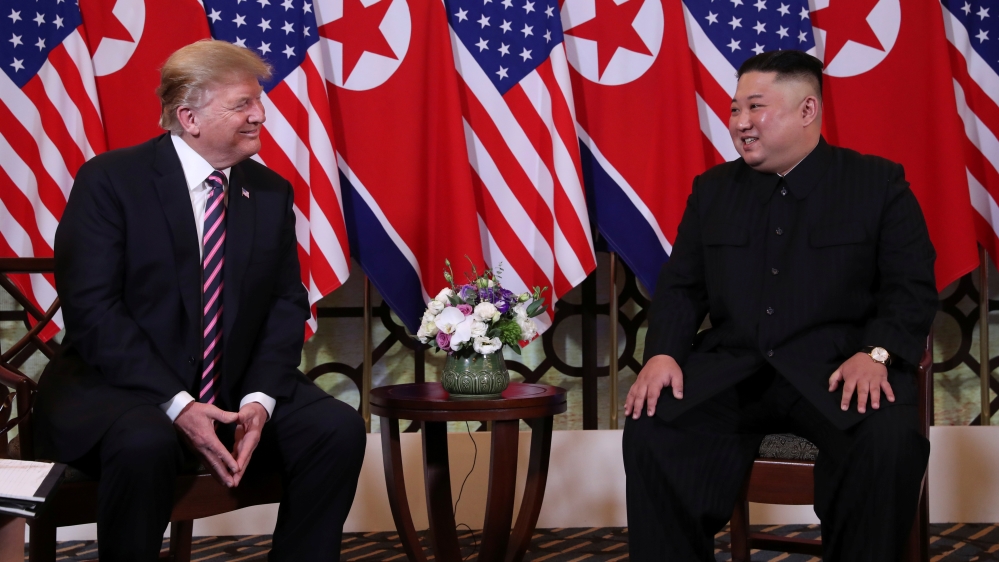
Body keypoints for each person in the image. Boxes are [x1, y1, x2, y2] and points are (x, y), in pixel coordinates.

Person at [32, 40, 366, 561]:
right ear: (189, 117)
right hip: (121, 390)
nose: (260, 114)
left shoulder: (271, 191)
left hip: (232, 386)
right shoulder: (111, 181)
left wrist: (260, 399)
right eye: (242, 104)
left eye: (258, 100)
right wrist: (179, 404)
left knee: (335, 428)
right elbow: (94, 313)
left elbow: (285, 304)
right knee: (147, 442)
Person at [622, 50, 937, 561]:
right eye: (733, 110)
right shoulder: (713, 190)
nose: (741, 123)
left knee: (887, 441)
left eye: (756, 108)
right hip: (734, 371)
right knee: (653, 422)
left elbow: (912, 286)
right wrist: (662, 354)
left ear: (808, 110)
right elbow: (681, 286)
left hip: (837, 370)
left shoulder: (877, 184)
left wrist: (877, 353)